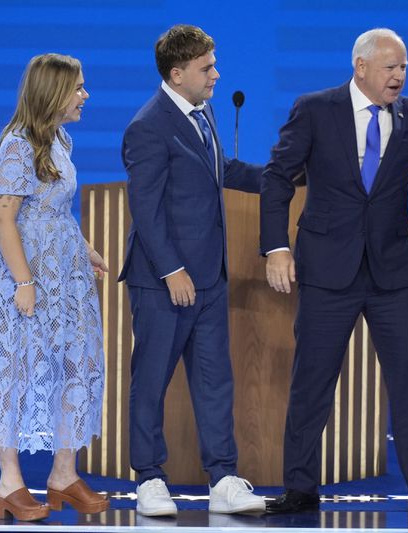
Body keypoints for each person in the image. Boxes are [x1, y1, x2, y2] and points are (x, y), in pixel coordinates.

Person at [261, 28, 408, 516]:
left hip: (394, 273)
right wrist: (276, 247)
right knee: (312, 380)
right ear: (360, 67)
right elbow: (278, 177)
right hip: (326, 269)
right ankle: (300, 486)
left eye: (404, 67)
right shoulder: (315, 109)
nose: (399, 76)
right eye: (390, 67)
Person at [118, 24, 265, 516]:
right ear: (177, 74)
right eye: (207, 68)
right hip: (165, 282)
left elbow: (223, 170)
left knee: (214, 380)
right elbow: (146, 207)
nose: (216, 75)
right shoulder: (148, 125)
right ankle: (149, 479)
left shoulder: (204, 113)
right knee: (152, 379)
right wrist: (171, 270)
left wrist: (285, 175)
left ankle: (222, 477)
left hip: (209, 279)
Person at [0, 53, 110, 521]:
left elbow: (54, 208)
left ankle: (63, 475)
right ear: (54, 93)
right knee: (14, 370)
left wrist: (84, 248)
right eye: (79, 88)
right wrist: (23, 282)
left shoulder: (60, 140)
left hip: (64, 274)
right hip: (23, 274)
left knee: (74, 360)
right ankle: (10, 484)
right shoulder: (16, 145)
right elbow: (5, 218)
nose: (85, 96)